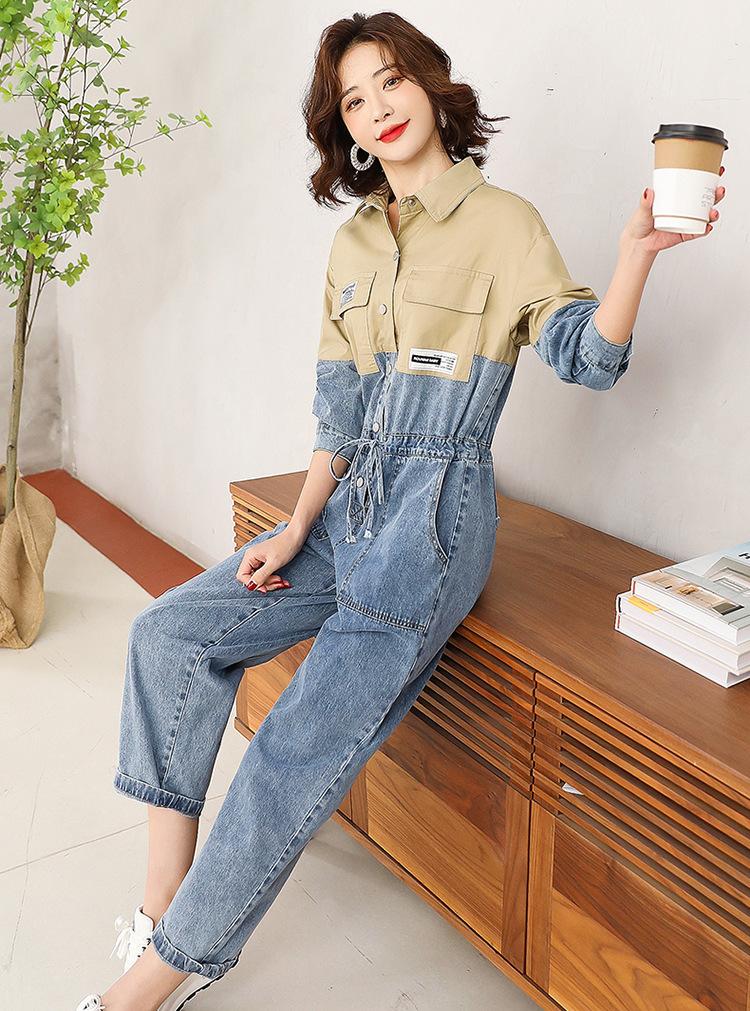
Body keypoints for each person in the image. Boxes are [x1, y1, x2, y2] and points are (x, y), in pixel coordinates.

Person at [76, 9, 726, 1011]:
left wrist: (635, 255)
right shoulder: (350, 244)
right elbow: (338, 412)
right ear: (341, 127)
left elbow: (586, 360)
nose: (377, 107)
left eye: (390, 80)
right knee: (169, 636)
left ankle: (151, 984)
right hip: (346, 508)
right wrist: (296, 526)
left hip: (433, 518)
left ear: (429, 84)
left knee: (292, 745)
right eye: (353, 99)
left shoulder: (503, 223)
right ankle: (162, 910)